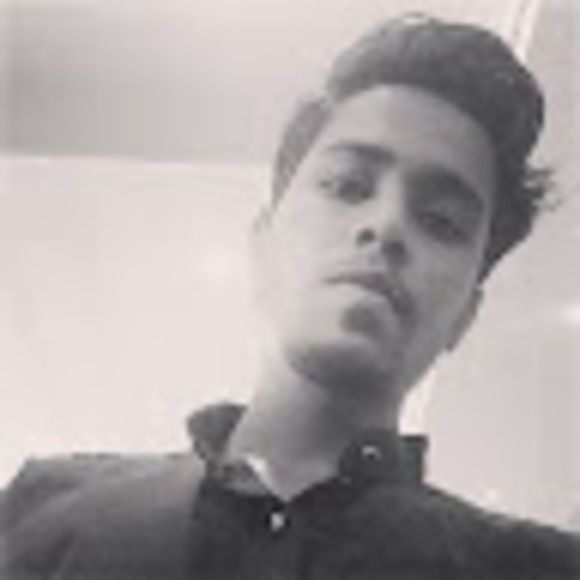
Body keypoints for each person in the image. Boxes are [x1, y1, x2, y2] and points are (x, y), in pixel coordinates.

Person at [1, 13, 579, 580]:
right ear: (262, 246)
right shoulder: (43, 514)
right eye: (347, 186)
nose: (385, 225)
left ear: (466, 316)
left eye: (441, 221)